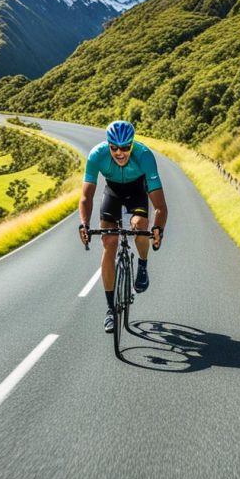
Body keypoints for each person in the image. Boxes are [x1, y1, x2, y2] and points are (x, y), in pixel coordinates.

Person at [78, 120, 167, 333]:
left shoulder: (144, 156)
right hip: (113, 192)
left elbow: (160, 206)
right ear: (108, 145)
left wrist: (158, 230)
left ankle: (142, 265)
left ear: (132, 145)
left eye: (125, 147)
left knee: (140, 224)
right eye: (114, 148)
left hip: (137, 190)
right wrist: (84, 224)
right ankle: (110, 310)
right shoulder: (97, 155)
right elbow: (86, 196)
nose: (120, 153)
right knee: (109, 241)